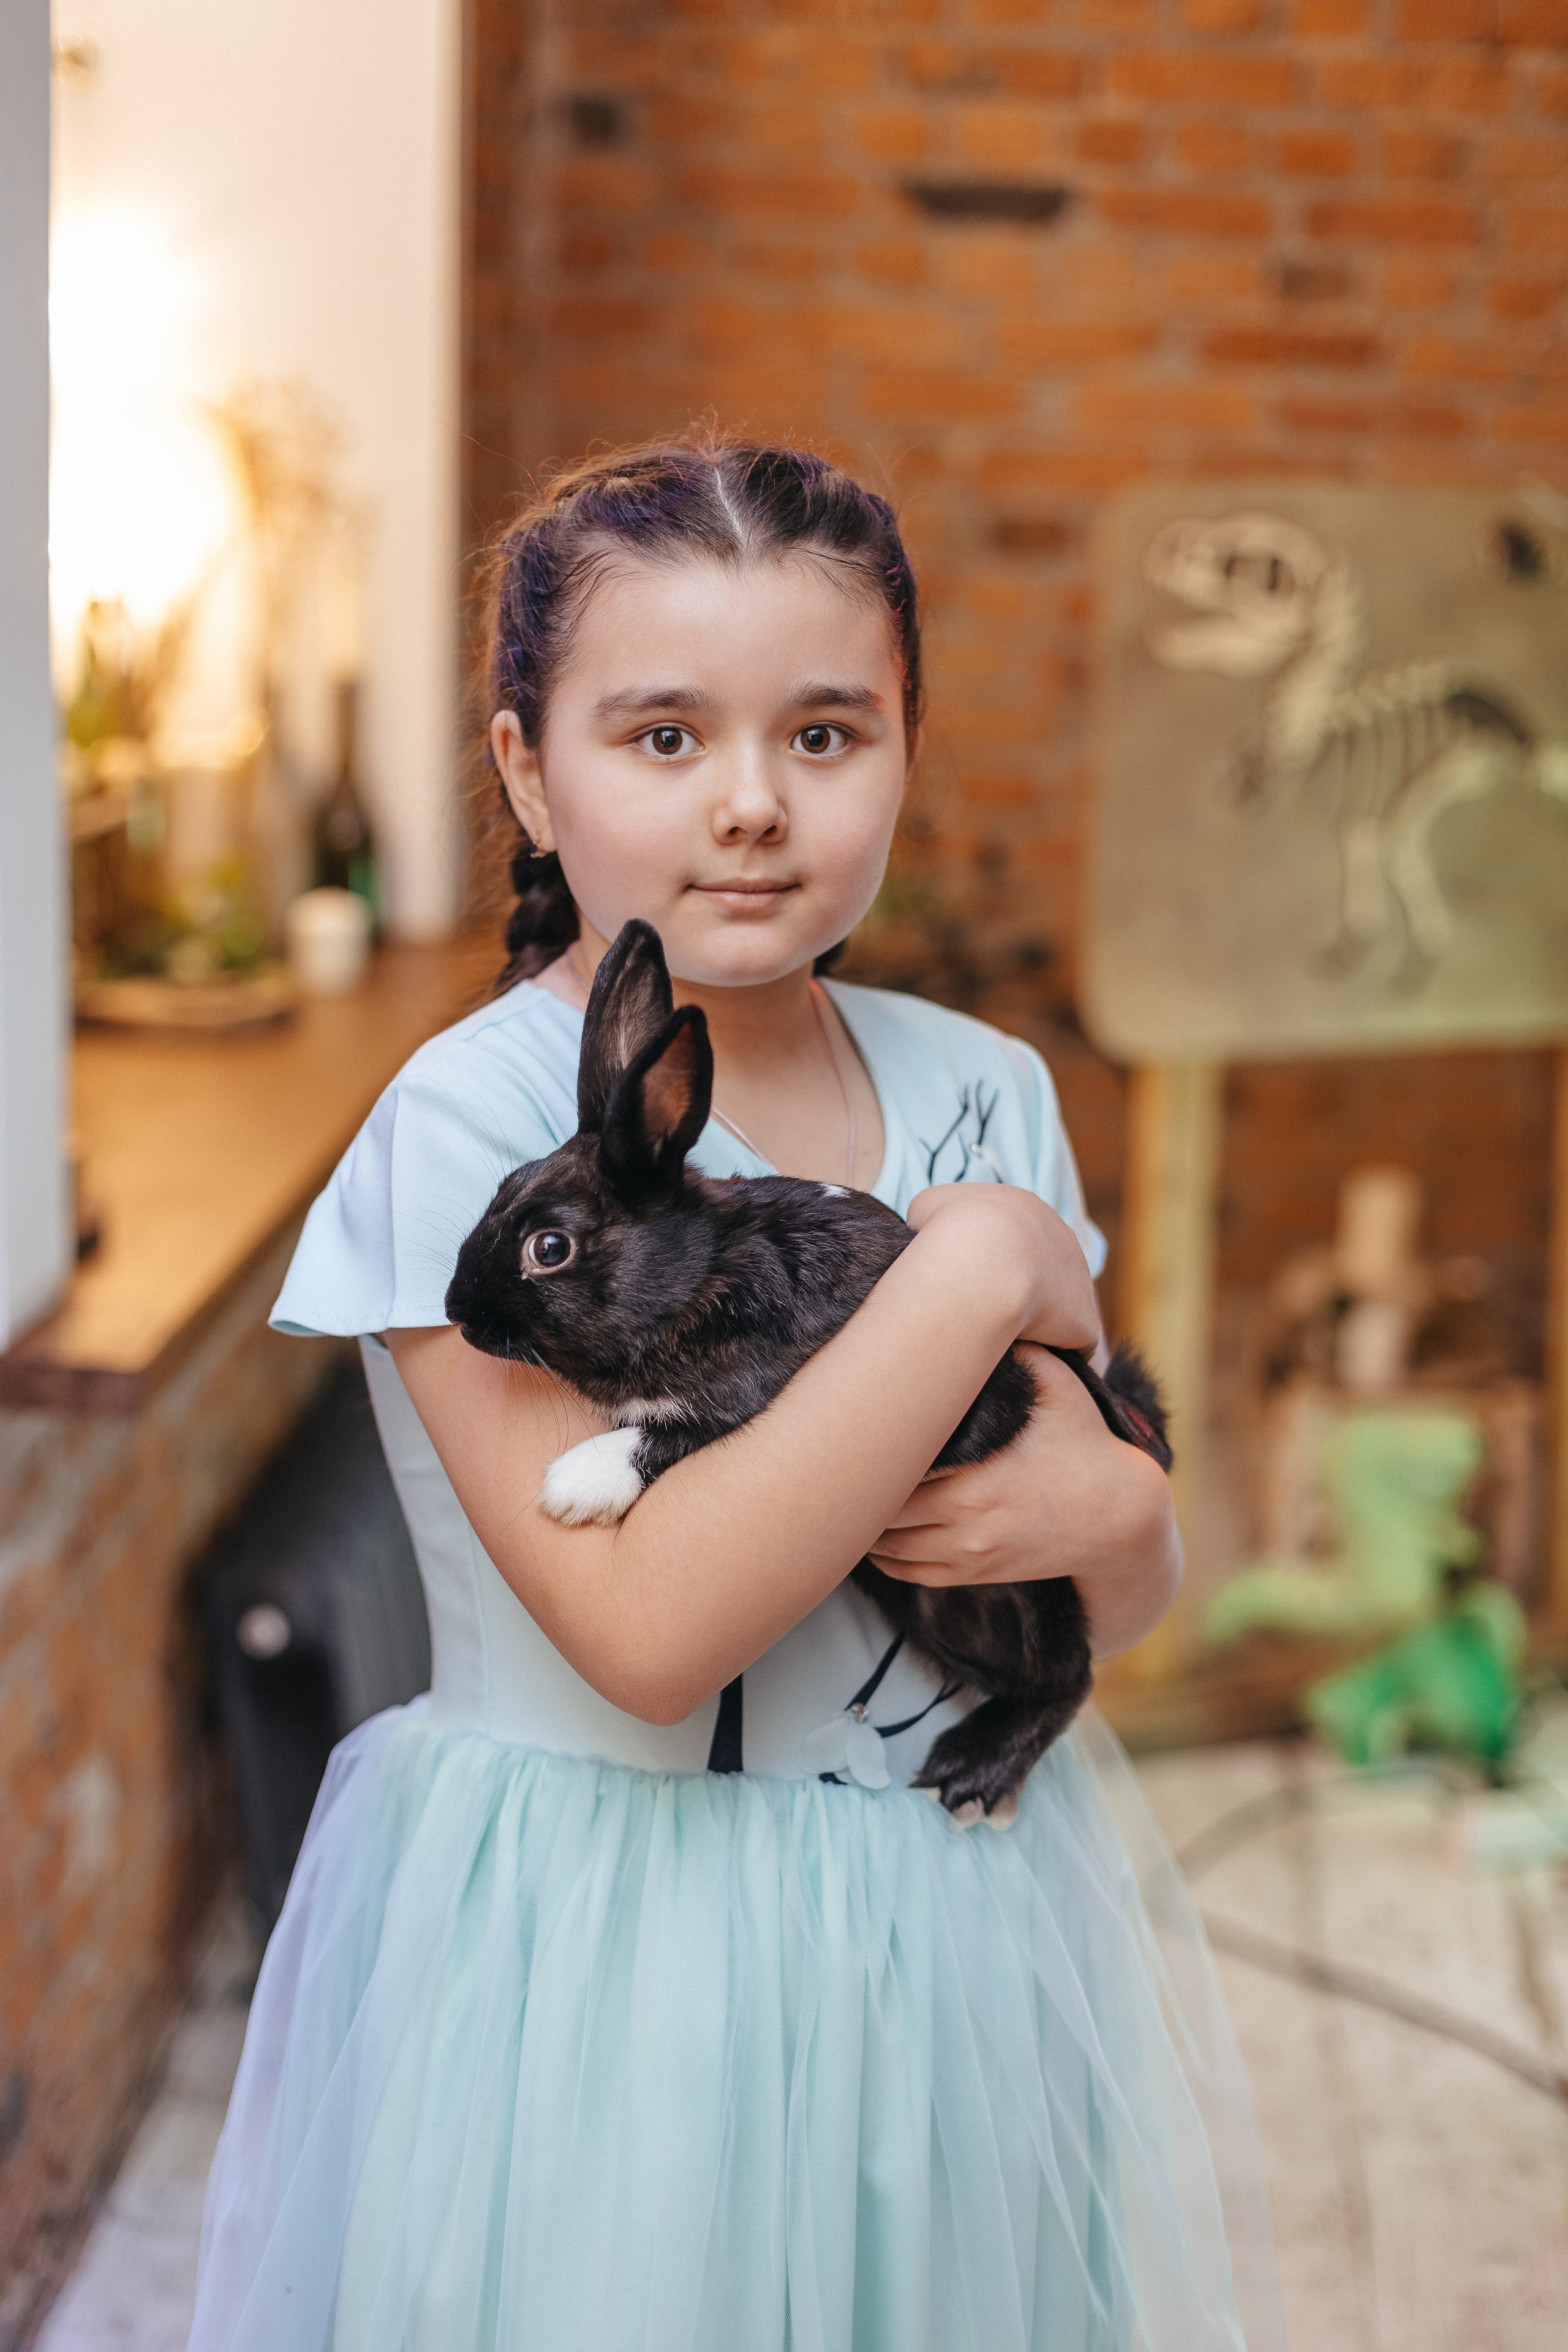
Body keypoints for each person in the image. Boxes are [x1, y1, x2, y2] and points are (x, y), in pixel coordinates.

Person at [187, 437, 1282, 2352]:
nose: (755, 808)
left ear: (907, 749)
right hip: (613, 1964)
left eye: (829, 736)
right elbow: (657, 1627)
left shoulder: (984, 1090)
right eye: (666, 738)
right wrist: (971, 1269)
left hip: (949, 1943)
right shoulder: (475, 1128)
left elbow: (1108, 1589)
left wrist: (1131, 1522)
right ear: (531, 766)